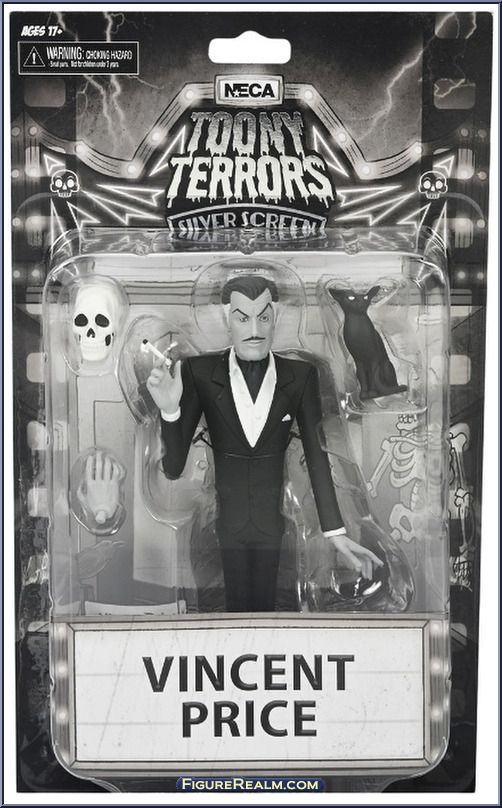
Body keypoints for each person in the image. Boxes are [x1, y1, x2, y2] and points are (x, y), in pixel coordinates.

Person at [147, 274, 382, 611]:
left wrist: (335, 533)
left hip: (275, 527)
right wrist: (170, 411)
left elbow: (318, 457)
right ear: (227, 320)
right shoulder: (198, 373)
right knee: (233, 613)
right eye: (243, 318)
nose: (254, 329)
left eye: (263, 316)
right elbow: (172, 467)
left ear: (275, 318)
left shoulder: (300, 377)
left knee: (272, 612)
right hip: (226, 528)